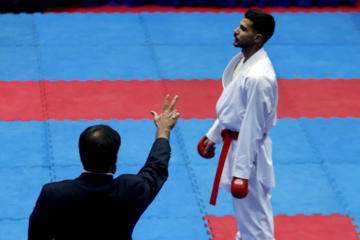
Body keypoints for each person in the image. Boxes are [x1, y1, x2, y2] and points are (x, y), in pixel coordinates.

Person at [28, 95, 180, 240]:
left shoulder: (53, 194)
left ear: (81, 156)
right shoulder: (132, 189)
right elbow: (156, 167)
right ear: (114, 161)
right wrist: (163, 131)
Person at [198, 9, 278, 240]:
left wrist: (241, 173)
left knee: (255, 221)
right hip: (237, 144)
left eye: (243, 28)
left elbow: (252, 126)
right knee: (248, 217)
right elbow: (234, 109)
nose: (236, 30)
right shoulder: (245, 61)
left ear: (257, 38)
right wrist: (213, 135)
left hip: (249, 152)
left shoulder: (258, 77)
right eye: (239, 25)